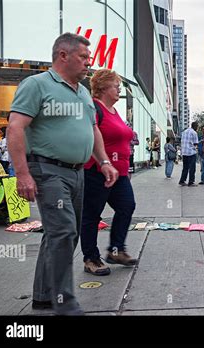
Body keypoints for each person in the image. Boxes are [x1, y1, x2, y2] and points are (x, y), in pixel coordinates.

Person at [7, 33, 118, 315]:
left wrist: (104, 161)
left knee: (61, 235)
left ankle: (44, 296)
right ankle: (65, 304)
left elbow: (92, 130)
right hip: (47, 170)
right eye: (83, 57)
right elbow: (15, 128)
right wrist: (22, 174)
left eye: (89, 59)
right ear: (63, 55)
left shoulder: (82, 92)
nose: (88, 63)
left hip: (77, 172)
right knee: (64, 232)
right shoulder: (37, 85)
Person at [81, 68, 138, 277]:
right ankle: (90, 258)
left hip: (119, 174)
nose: (119, 89)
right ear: (103, 86)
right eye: (116, 85)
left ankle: (115, 250)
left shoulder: (115, 111)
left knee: (126, 206)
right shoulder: (94, 108)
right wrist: (104, 162)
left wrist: (126, 167)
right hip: (97, 171)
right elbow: (89, 138)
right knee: (91, 215)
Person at [179, 121, 199, 186]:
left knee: (185, 167)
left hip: (184, 152)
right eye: (197, 127)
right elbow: (195, 144)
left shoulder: (184, 132)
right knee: (192, 168)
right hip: (191, 152)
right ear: (195, 126)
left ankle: (182, 181)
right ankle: (191, 182)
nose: (197, 128)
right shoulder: (194, 133)